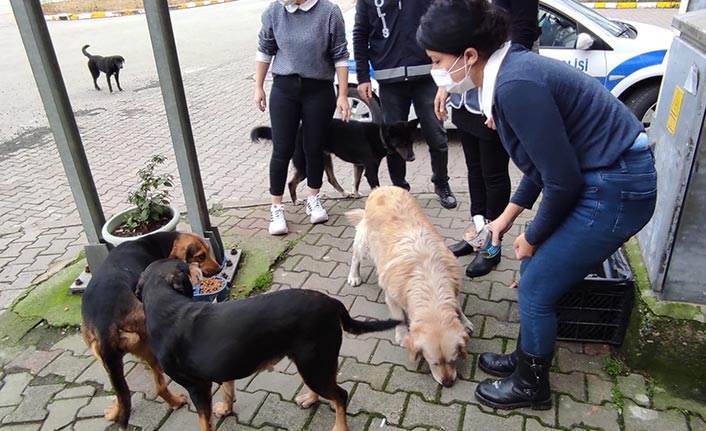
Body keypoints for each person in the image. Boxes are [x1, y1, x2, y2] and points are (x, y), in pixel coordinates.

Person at [417, 0, 657, 410]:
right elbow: (547, 164)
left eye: (438, 61)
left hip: (617, 184)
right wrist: (506, 218)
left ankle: (532, 386)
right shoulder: (511, 72)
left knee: (536, 284)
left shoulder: (515, 86)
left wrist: (532, 235)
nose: (436, 72)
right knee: (534, 273)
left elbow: (562, 181)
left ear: (469, 55)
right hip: (603, 172)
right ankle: (525, 358)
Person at [441, 0, 539, 278]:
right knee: (474, 169)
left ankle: (492, 245)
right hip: (466, 89)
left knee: (493, 172)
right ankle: (477, 232)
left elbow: (521, 36)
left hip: (495, 85)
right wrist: (445, 86)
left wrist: (497, 96)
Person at [254, 0, 351, 236]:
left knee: (314, 147)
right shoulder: (275, 11)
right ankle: (276, 207)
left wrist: (344, 94)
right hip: (284, 88)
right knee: (282, 149)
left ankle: (313, 199)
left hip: (318, 89)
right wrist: (258, 86)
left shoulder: (329, 12)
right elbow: (265, 49)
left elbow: (340, 54)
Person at [353, 0, 457, 209]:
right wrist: (363, 76)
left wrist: (446, 73)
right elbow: (360, 34)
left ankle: (441, 184)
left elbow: (444, 24)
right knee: (392, 141)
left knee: (436, 135)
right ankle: (399, 189)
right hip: (389, 80)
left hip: (427, 76)